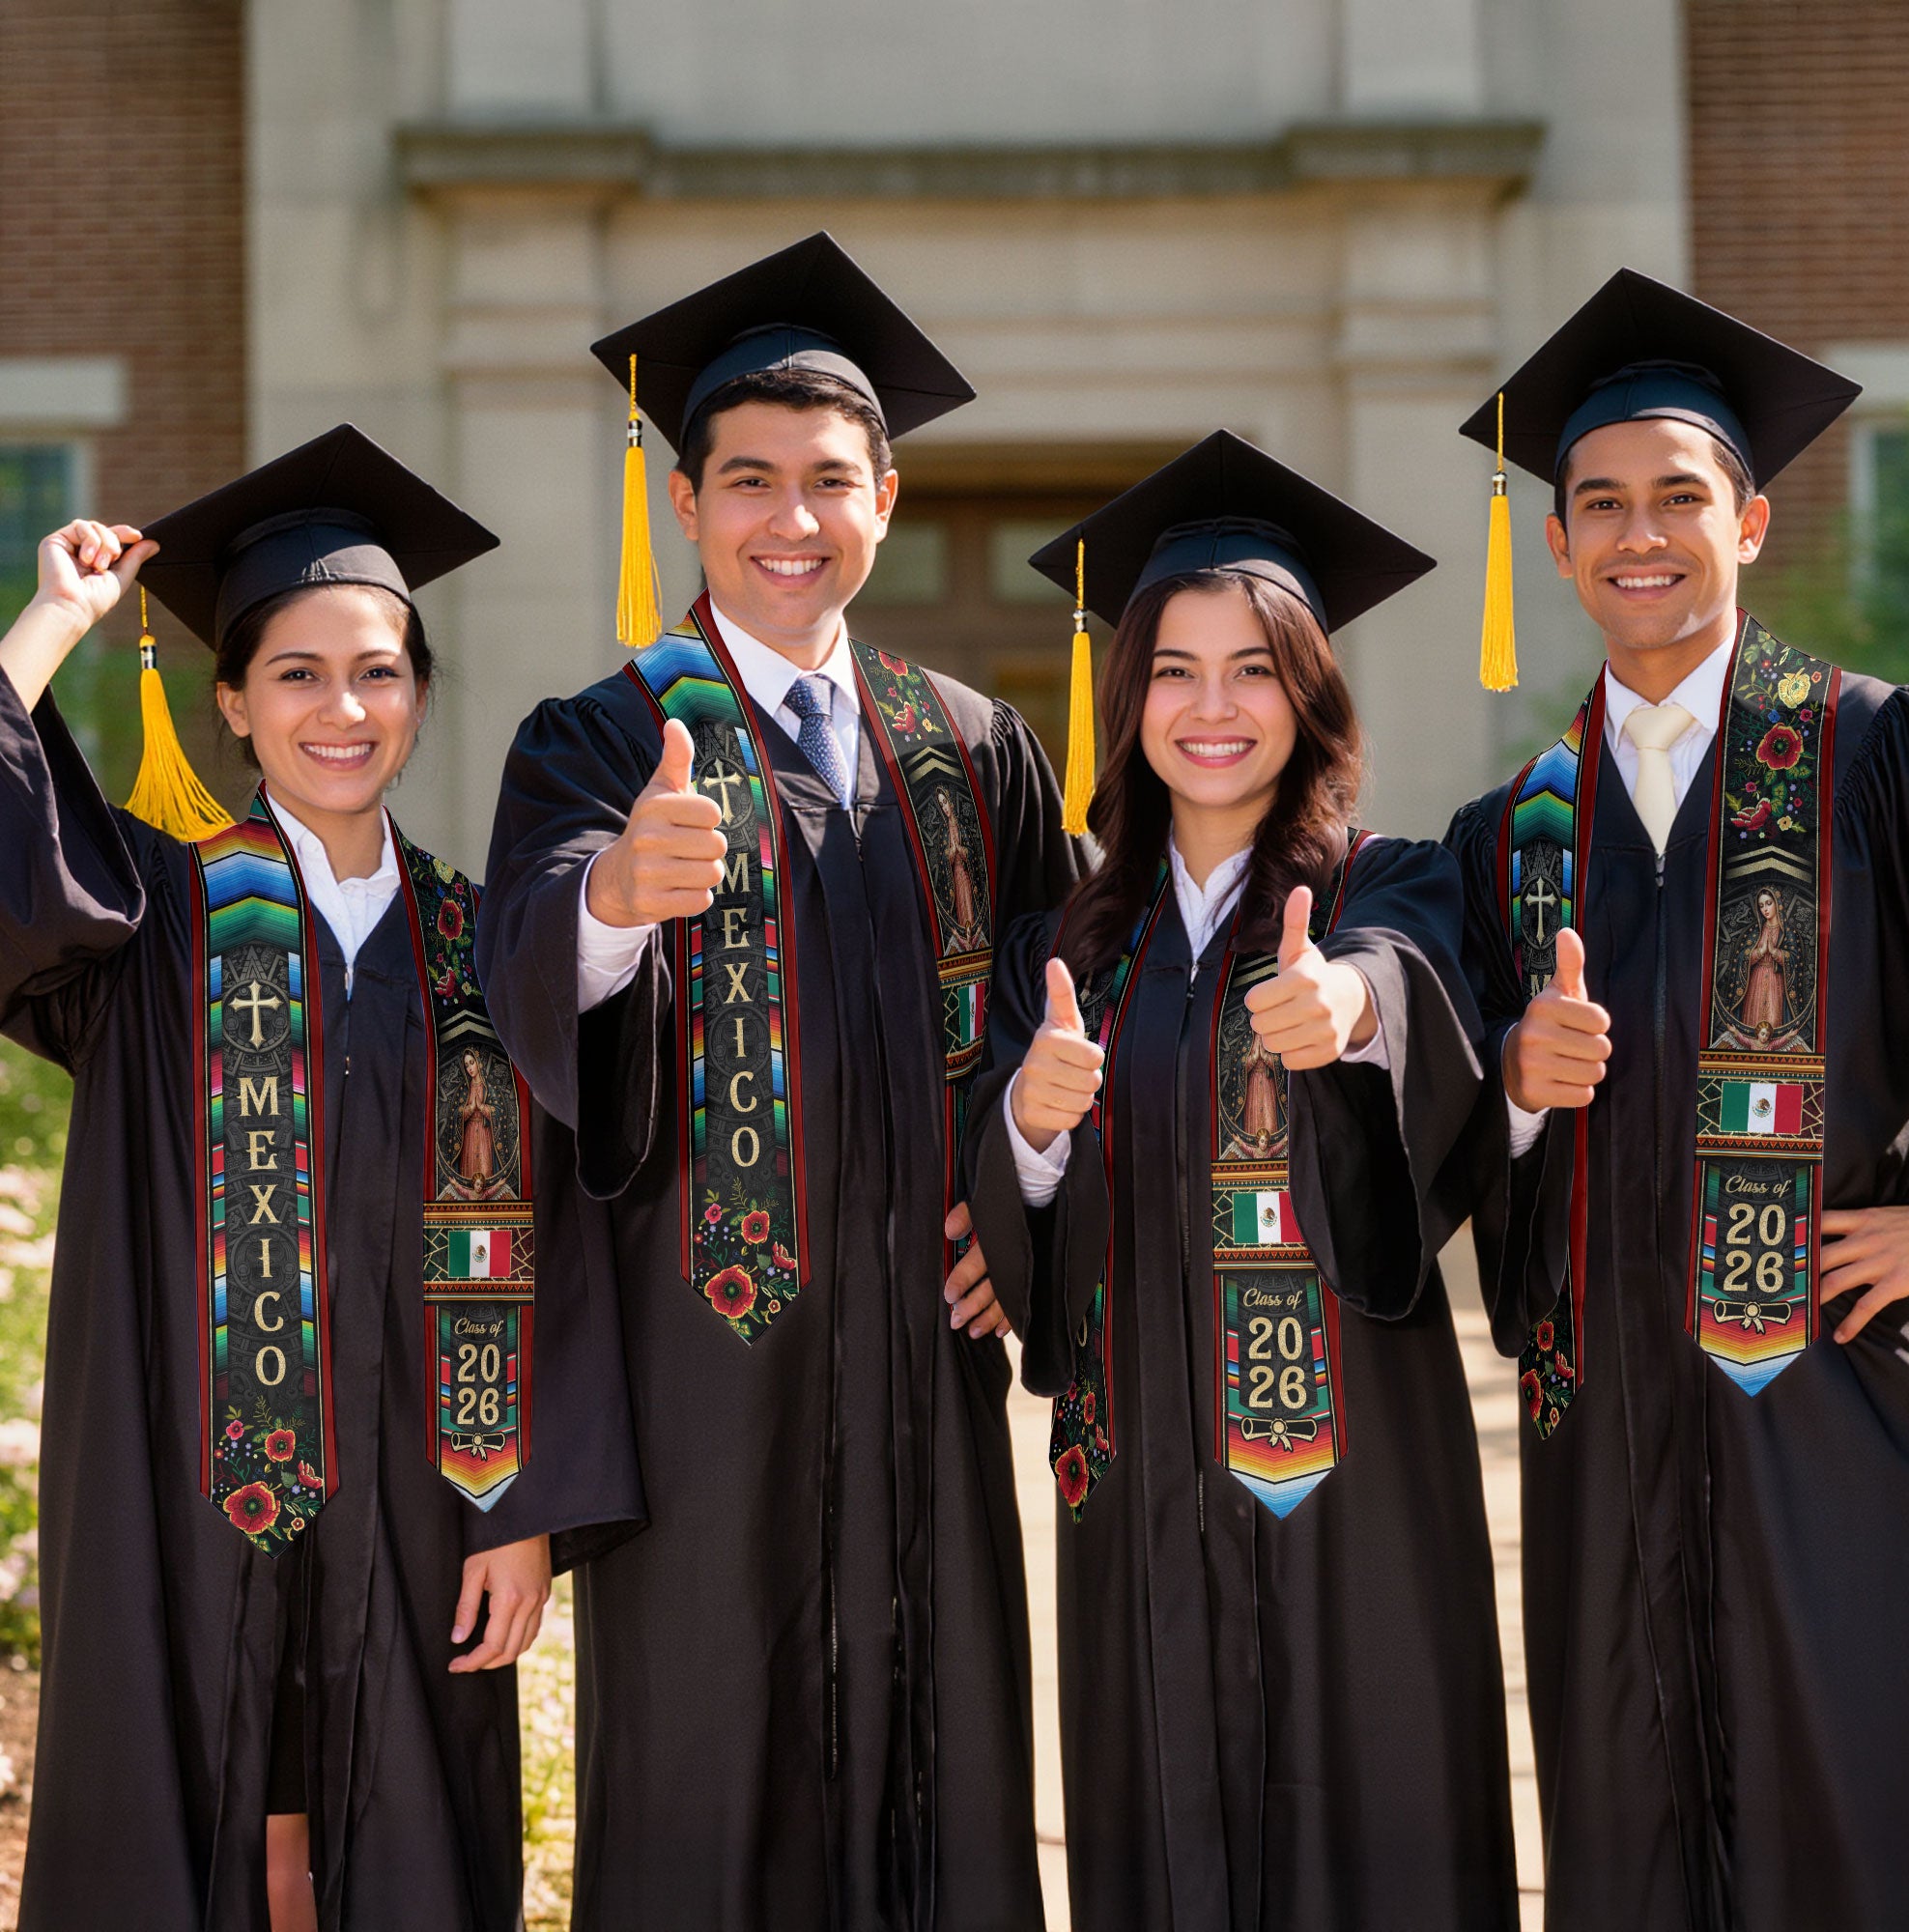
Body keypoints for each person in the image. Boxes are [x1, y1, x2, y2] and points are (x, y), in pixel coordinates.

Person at [477, 233, 1084, 1931]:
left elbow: (1077, 1009)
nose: (790, 520)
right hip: (705, 1376)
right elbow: (521, 969)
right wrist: (609, 899)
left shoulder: (971, 743)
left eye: (831, 481)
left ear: (886, 497)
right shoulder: (600, 737)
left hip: (924, 1368)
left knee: (943, 1772)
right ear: (687, 504)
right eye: (749, 481)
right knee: (708, 1790)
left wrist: (1028, 1206)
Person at [0, 426, 641, 1932]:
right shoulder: (156, 919)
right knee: (191, 1812)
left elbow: (565, 1238)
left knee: (407, 1837)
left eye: (378, 670)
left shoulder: (489, 944)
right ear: (231, 701)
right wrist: (51, 624)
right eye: (295, 673)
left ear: (420, 694)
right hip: (183, 1488)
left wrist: (526, 1507)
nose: (340, 708)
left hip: (429, 1498)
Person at [966, 432, 1517, 1930]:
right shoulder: (1064, 947)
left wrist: (1347, 1013)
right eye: (1175, 670)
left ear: (1311, 693)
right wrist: (1027, 1116)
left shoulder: (1387, 883)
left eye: (1256, 668)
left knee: (1378, 1832)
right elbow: (1012, 1206)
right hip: (1138, 1478)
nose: (1214, 709)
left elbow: (1411, 989)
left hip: (1356, 1487)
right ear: (1127, 696)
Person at [1446, 270, 1909, 1931]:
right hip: (1604, 1437)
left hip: (1835, 1408)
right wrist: (1511, 1088)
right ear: (1562, 542)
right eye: (1599, 504)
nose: (1637, 534)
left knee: (1855, 1815)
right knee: (1625, 1830)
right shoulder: (1513, 828)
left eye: (1678, 497)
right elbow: (1441, 1134)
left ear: (1752, 520)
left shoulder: (1873, 752)